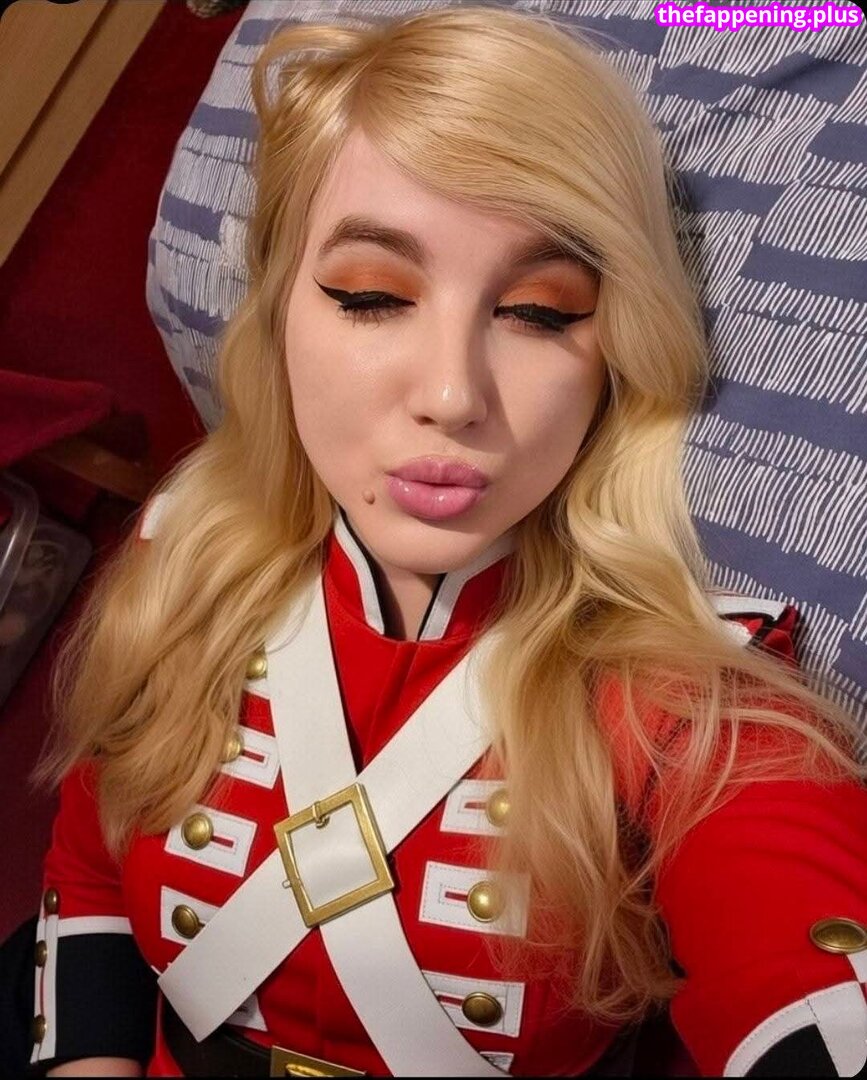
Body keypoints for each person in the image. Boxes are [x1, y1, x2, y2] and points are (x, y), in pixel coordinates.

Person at [29, 5, 867, 1077]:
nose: (453, 393)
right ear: (278, 311)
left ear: (615, 356)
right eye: (373, 296)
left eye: (541, 312)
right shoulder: (186, 560)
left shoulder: (687, 708)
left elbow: (804, 976)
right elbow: (92, 868)